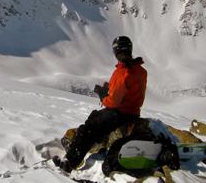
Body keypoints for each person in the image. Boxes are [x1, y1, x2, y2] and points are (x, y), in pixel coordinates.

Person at [56, 36, 148, 173]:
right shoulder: (140, 70)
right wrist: (110, 90)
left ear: (116, 51)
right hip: (133, 112)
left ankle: (70, 162)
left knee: (90, 126)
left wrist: (103, 96)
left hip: (120, 113)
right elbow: (129, 91)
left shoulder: (123, 72)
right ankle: (95, 145)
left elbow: (114, 102)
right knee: (97, 122)